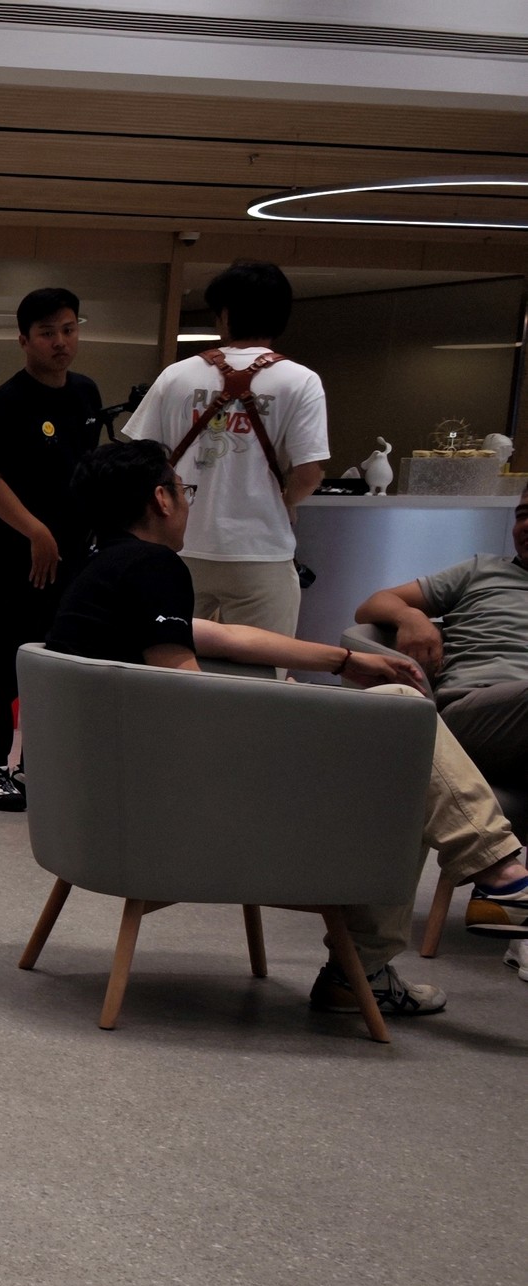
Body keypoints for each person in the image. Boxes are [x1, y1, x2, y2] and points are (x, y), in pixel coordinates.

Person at [45, 441, 528, 1018]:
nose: (188, 503)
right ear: (161, 499)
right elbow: (184, 694)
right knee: (402, 733)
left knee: (399, 743)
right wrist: (294, 710)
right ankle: (475, 890)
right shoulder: (153, 567)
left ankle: (480, 890)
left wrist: (343, 661)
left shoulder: (100, 571)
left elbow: (223, 636)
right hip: (173, 810)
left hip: (107, 807)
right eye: (184, 490)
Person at [122, 261, 328, 640]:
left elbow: (139, 460)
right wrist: (285, 501)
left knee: (166, 658)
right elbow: (309, 474)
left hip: (178, 545)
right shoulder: (301, 382)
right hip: (261, 550)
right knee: (262, 666)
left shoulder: (177, 375)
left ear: (225, 314)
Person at [0, 287, 103, 812]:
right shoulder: (6, 403)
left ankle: (34, 763)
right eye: (47, 333)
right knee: (6, 652)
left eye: (68, 329)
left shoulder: (86, 393)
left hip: (76, 552)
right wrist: (36, 533)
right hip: (16, 552)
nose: (60, 342)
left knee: (58, 653)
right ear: (24, 340)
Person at [355, 485, 528, 795]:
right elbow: (372, 605)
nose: (526, 525)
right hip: (472, 712)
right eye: (522, 515)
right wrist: (410, 617)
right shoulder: (482, 570)